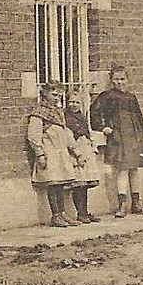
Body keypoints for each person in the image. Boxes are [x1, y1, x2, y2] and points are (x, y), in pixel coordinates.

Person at [91, 63, 143, 216]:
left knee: (134, 169)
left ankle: (137, 203)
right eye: (116, 79)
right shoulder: (107, 96)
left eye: (123, 79)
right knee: (122, 170)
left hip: (134, 135)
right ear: (111, 80)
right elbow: (95, 112)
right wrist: (103, 127)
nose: (120, 82)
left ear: (128, 80)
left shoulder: (131, 97)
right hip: (118, 136)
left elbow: (139, 116)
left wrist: (141, 134)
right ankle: (122, 205)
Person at [27, 83, 80, 227]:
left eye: (59, 95)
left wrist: (74, 150)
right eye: (54, 95)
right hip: (49, 152)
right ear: (44, 94)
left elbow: (66, 132)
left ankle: (63, 213)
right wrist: (40, 154)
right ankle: (55, 215)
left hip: (60, 152)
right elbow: (33, 135)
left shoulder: (58, 112)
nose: (57, 98)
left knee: (61, 184)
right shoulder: (38, 113)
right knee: (53, 183)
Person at [63, 91, 104, 223]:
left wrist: (93, 147)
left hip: (86, 151)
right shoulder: (66, 118)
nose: (74, 105)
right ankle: (80, 213)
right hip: (76, 153)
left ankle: (84, 212)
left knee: (85, 185)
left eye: (77, 102)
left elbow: (89, 133)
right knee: (78, 185)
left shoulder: (82, 118)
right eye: (71, 102)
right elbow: (69, 138)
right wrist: (78, 155)